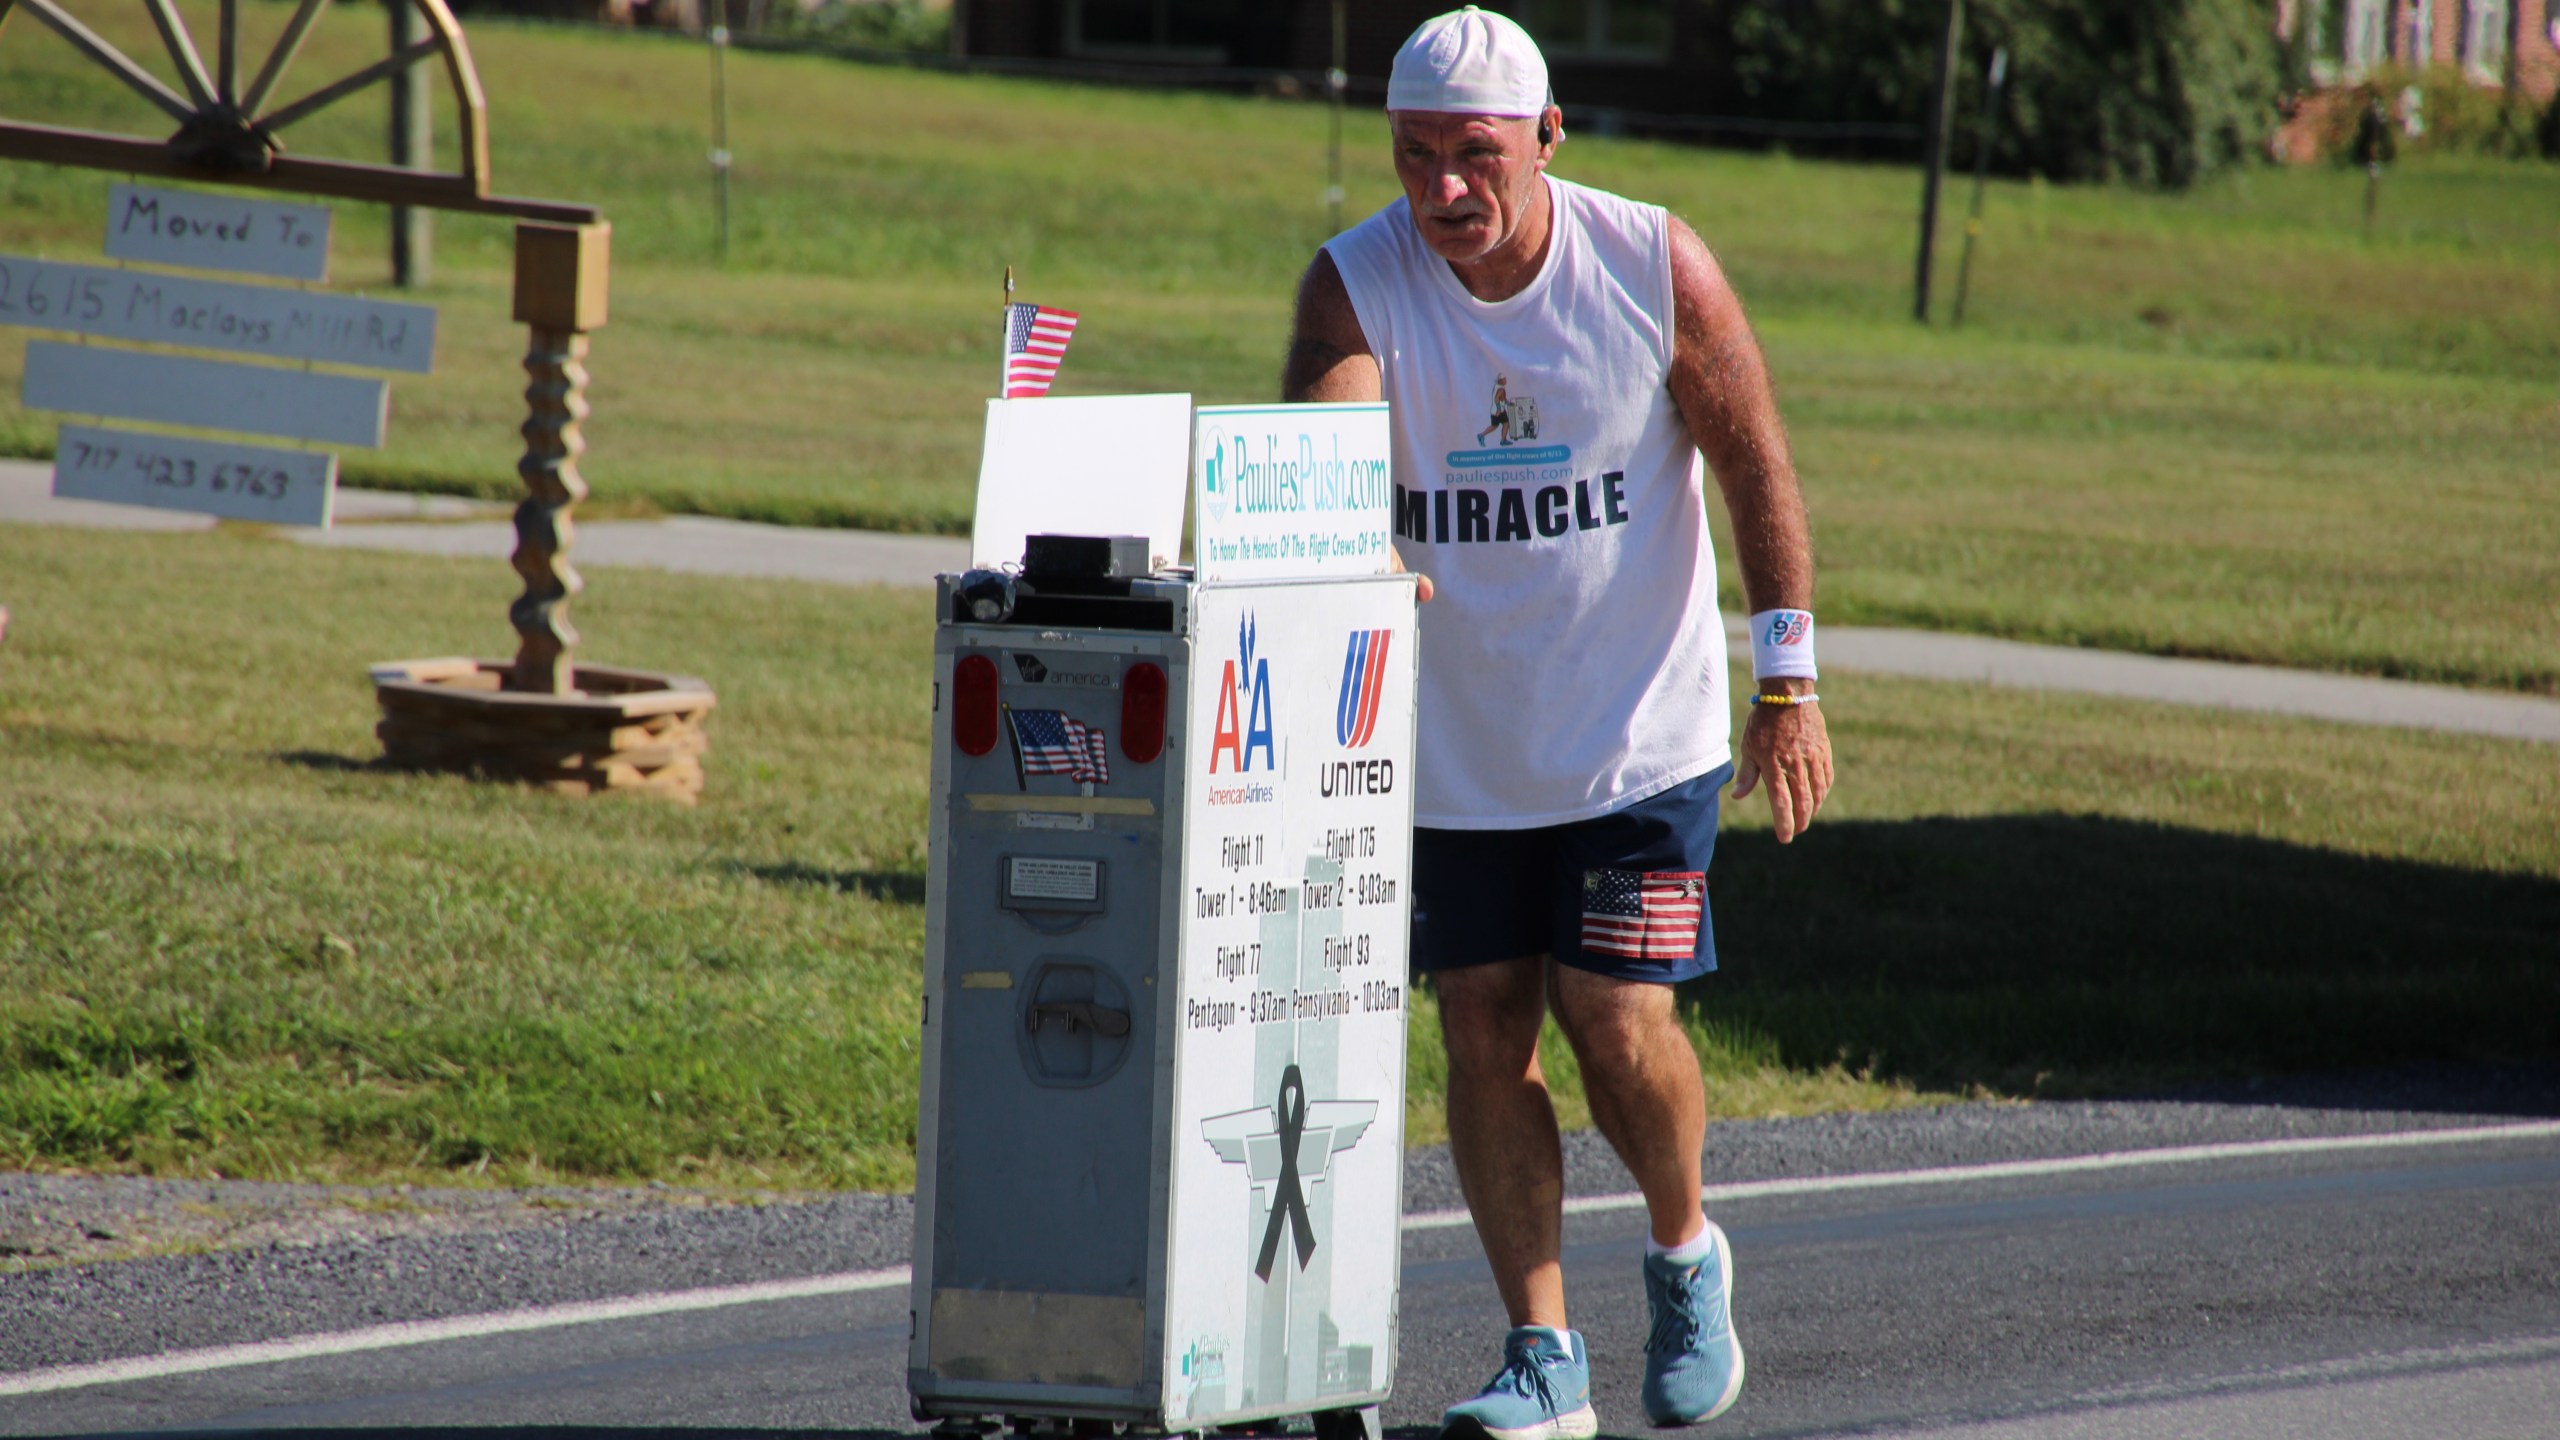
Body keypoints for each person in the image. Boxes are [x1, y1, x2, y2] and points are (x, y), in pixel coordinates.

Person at [1280, 9, 1833, 1437]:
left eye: (1476, 157)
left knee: (1614, 1018)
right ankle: (1545, 1357)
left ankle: (1682, 1250)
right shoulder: (1357, 282)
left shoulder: (1649, 262)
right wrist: (1352, 519)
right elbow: (1326, 421)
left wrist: (1789, 682)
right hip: (1460, 752)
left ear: (1547, 139)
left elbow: (1755, 458)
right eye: (1416, 159)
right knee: (1481, 1028)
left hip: (1637, 733)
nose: (1444, 193)